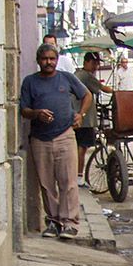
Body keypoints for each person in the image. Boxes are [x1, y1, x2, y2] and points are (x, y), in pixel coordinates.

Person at [20, 43, 91, 239]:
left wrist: (81, 114)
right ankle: (53, 221)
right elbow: (24, 110)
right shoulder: (30, 82)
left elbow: (87, 95)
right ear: (38, 61)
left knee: (68, 181)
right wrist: (37, 113)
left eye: (52, 59)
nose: (48, 62)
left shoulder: (66, 78)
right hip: (40, 138)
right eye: (44, 59)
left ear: (57, 60)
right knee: (46, 183)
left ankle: (70, 223)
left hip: (65, 135)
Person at [73, 51, 113, 187]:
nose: (96, 66)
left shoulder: (77, 74)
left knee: (77, 146)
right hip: (84, 119)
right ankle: (79, 176)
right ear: (86, 62)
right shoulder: (86, 76)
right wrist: (118, 92)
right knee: (82, 147)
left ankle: (76, 175)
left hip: (76, 115)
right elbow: (103, 88)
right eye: (94, 63)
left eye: (97, 64)